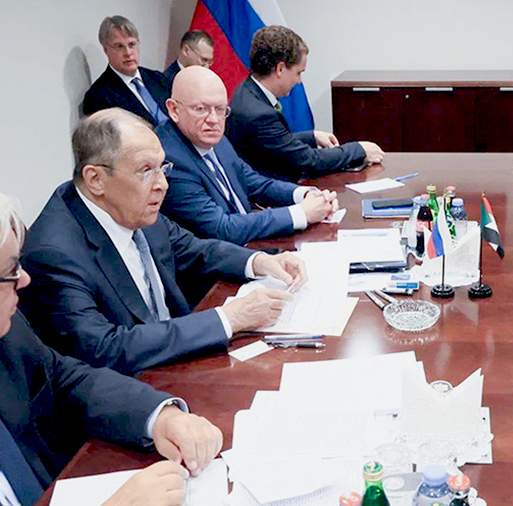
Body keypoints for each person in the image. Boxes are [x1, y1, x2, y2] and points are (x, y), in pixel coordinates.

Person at [20, 109, 305, 375]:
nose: (163, 184)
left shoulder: (130, 205)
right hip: (132, 387)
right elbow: (103, 348)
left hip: (178, 361)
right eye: (146, 171)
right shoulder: (54, 253)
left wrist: (259, 261)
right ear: (95, 179)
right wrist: (228, 319)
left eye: (161, 168)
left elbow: (194, 249)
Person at [0, 193, 223, 506]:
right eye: (11, 270)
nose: (24, 279)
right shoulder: (56, 245)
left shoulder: (9, 330)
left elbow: (62, 377)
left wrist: (158, 416)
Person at [159, 66, 338, 244]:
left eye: (220, 109)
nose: (213, 120)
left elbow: (254, 182)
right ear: (174, 110)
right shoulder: (169, 160)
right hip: (220, 256)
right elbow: (221, 229)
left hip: (250, 245)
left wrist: (307, 195)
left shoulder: (212, 137)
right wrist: (301, 213)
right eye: (200, 109)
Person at [226, 26, 384, 180]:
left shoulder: (246, 90)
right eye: (298, 73)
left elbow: (275, 142)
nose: (299, 81)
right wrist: (358, 149)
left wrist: (311, 137)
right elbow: (307, 161)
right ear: (280, 69)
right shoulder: (259, 114)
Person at [82, 16, 171, 126]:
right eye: (119, 46)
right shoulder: (98, 97)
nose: (128, 53)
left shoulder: (157, 78)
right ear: (106, 50)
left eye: (132, 44)